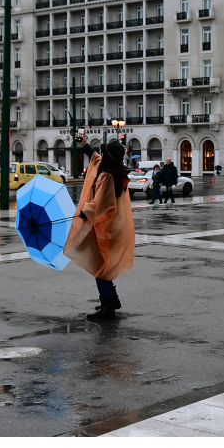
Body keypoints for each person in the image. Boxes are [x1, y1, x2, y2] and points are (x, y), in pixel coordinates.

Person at [63, 133, 136, 320]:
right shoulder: (116, 171)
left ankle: (107, 307)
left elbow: (101, 203)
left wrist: (84, 212)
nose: (100, 156)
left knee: (100, 267)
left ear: (108, 159)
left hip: (110, 229)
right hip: (113, 227)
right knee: (104, 264)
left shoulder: (108, 177)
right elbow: (96, 158)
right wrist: (85, 145)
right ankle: (113, 299)